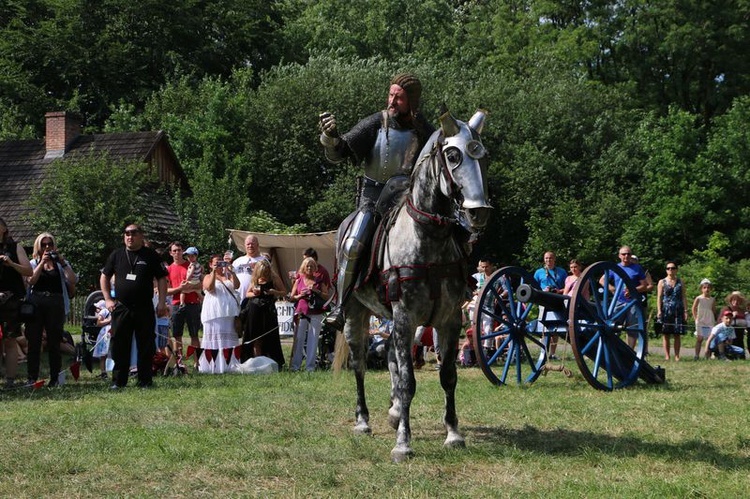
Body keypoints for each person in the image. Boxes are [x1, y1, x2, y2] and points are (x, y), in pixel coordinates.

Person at [319, 73, 435, 329]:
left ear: (411, 102)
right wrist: (331, 138)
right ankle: (341, 305)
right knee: (352, 244)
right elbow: (342, 152)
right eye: (391, 95)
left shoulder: (424, 130)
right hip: (373, 200)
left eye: (399, 97)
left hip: (409, 201)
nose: (392, 101)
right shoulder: (375, 123)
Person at [100, 223, 168, 389]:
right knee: (120, 345)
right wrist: (108, 299)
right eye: (127, 233)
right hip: (122, 307)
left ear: (141, 235)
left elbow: (161, 279)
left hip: (144, 306)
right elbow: (104, 276)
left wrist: (161, 302)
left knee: (146, 344)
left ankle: (145, 381)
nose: (130, 237)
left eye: (133, 233)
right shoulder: (117, 254)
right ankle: (118, 381)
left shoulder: (150, 255)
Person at [26, 232, 77, 387]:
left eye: (50, 244)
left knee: (55, 341)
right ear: (38, 246)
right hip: (37, 303)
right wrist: (42, 263)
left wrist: (62, 262)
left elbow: (73, 280)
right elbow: (31, 280)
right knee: (34, 342)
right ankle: (32, 377)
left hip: (55, 303)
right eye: (44, 244)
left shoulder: (61, 264)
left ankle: (55, 378)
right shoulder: (33, 263)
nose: (47, 247)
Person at [0, 217, 33, 387]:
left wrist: (11, 263)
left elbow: (29, 270)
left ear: (4, 229)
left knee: (10, 340)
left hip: (10, 300)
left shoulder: (15, 247)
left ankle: (10, 380)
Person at [199, 255, 241, 374]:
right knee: (215, 337)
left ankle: (230, 364)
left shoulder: (228, 276)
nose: (219, 265)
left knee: (229, 338)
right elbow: (209, 287)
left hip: (229, 313)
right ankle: (213, 365)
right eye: (216, 263)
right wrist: (213, 271)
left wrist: (231, 272)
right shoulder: (207, 276)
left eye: (221, 262)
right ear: (210, 264)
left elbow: (237, 286)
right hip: (214, 313)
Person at [241, 259, 286, 367]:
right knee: (255, 337)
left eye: (266, 272)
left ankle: (270, 361)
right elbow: (247, 294)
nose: (264, 275)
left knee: (269, 336)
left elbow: (284, 292)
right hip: (255, 309)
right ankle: (257, 361)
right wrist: (255, 293)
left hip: (268, 310)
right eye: (262, 273)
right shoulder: (255, 279)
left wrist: (274, 292)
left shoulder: (274, 277)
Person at [290, 257, 330, 372]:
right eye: (307, 266)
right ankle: (295, 366)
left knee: (313, 339)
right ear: (303, 267)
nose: (309, 268)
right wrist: (300, 295)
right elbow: (292, 297)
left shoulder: (319, 281)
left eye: (312, 266)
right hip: (301, 312)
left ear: (315, 268)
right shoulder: (299, 280)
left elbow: (326, 296)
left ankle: (310, 367)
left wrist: (316, 291)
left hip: (316, 312)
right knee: (299, 339)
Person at [166, 241, 202, 354]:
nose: (177, 253)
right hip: (176, 304)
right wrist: (180, 289)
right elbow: (166, 291)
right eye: (174, 251)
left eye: (179, 250)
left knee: (194, 334)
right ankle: (179, 362)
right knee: (177, 335)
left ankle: (197, 362)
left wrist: (192, 286)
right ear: (170, 253)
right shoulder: (168, 269)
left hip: (192, 303)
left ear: (183, 251)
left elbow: (202, 284)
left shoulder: (192, 265)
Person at [533, 251, 567, 360]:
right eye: (546, 258)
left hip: (557, 299)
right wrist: (543, 290)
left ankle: (552, 353)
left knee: (556, 325)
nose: (548, 260)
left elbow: (567, 287)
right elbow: (534, 287)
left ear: (554, 259)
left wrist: (558, 291)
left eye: (550, 258)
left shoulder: (561, 272)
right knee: (542, 325)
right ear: (544, 259)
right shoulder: (539, 272)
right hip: (543, 300)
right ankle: (543, 352)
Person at [656, 261, 688, 361]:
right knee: (666, 333)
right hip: (665, 309)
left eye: (673, 268)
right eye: (668, 268)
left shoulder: (680, 281)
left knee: (677, 333)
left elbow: (683, 297)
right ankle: (667, 355)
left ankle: (677, 355)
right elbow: (659, 297)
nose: (670, 270)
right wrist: (659, 310)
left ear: (676, 270)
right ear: (666, 270)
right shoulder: (662, 282)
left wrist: (686, 311)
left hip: (678, 310)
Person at [232, 235, 268, 304]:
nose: (250, 246)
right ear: (244, 245)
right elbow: (230, 278)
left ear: (257, 245)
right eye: (248, 244)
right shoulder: (237, 261)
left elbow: (269, 278)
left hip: (255, 299)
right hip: (237, 299)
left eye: (252, 244)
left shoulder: (263, 260)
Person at [692, 278, 716, 361]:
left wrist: (714, 319)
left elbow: (713, 309)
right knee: (699, 338)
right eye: (705, 287)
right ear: (701, 289)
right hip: (700, 320)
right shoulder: (699, 298)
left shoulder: (712, 299)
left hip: (709, 319)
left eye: (708, 287)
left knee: (709, 338)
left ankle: (708, 356)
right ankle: (696, 355)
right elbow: (694, 308)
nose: (707, 289)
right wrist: (696, 318)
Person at [719, 291, 747, 358]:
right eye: (734, 300)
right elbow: (720, 321)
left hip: (740, 335)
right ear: (731, 300)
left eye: (738, 300)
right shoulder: (726, 309)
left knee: (741, 354)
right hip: (729, 335)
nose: (736, 302)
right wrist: (732, 316)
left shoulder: (742, 310)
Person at [92, 299, 112, 379]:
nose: (96, 310)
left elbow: (98, 323)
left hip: (105, 333)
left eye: (97, 308)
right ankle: (105, 372)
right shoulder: (110, 311)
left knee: (103, 354)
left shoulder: (103, 311)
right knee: (106, 353)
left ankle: (104, 372)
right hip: (111, 331)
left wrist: (108, 320)